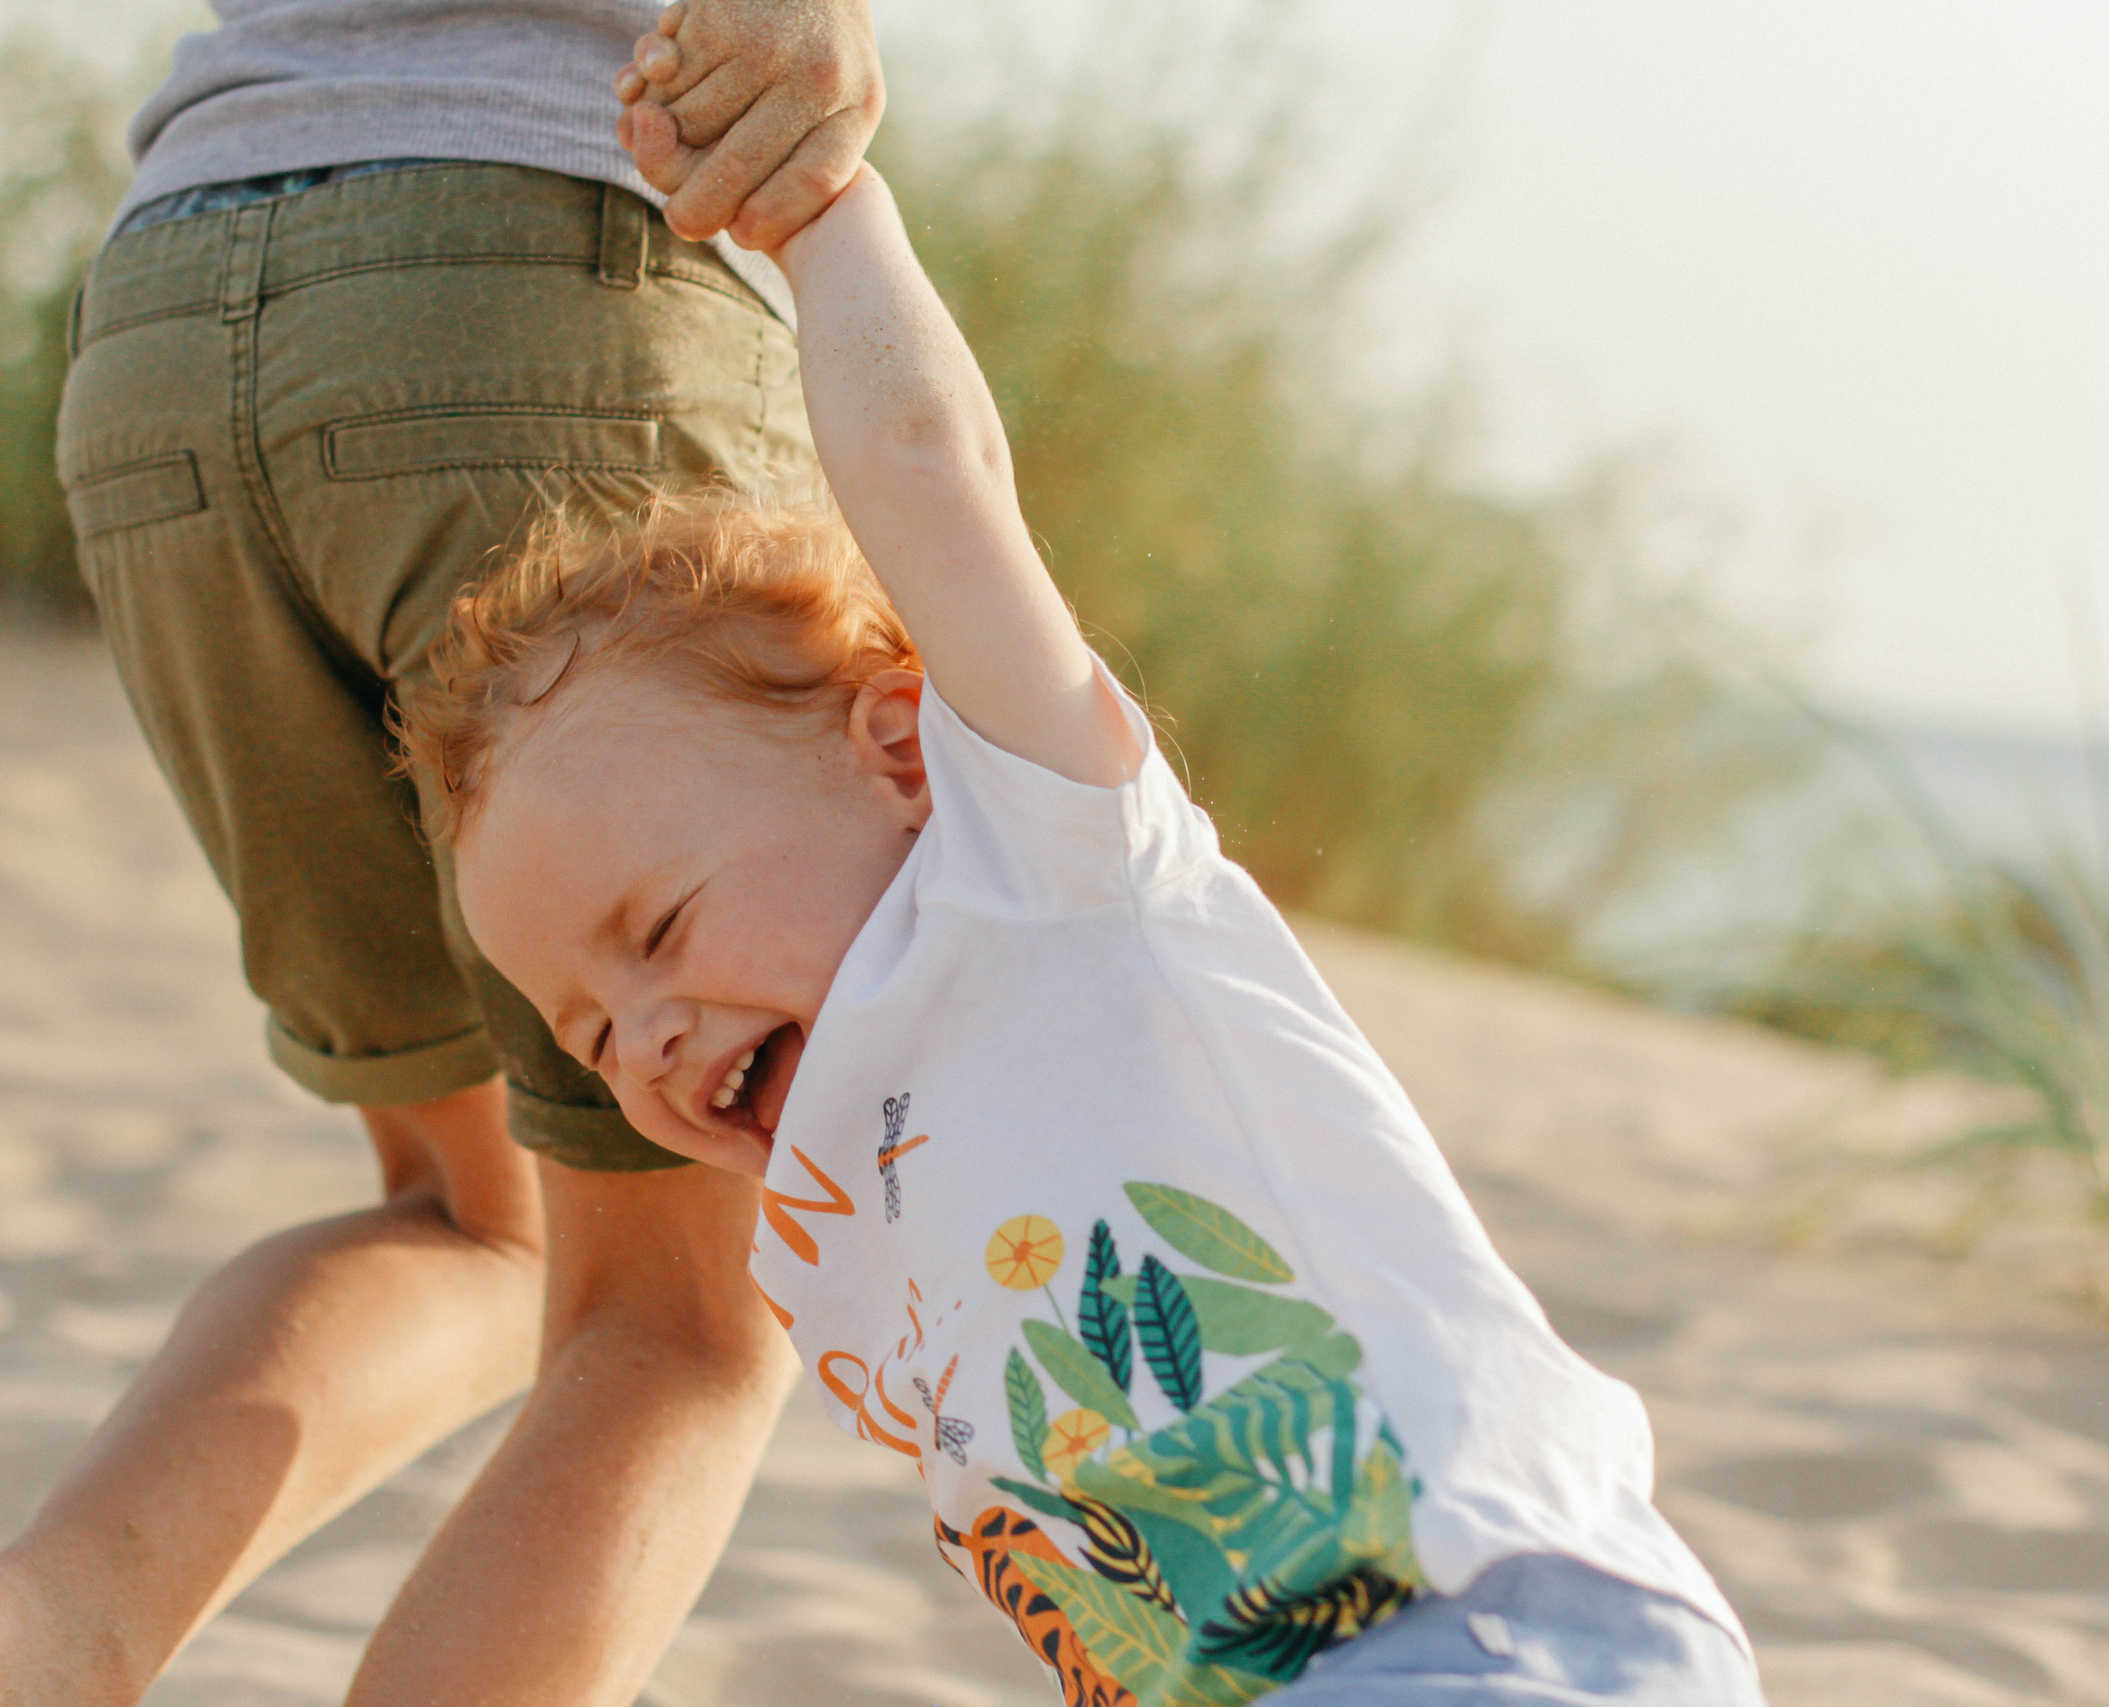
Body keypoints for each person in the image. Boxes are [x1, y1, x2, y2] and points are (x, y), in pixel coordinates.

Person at [395, 119, 1772, 1703]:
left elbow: (928, 468)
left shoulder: (1042, 877)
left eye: (659, 931)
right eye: (587, 1025)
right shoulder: (840, 1201)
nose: (642, 1038)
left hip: (1470, 1620)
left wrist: (826, 210)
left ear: (904, 752)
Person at [6, 4, 880, 1701]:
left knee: (474, 1218)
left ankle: (41, 1648)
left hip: (168, 321)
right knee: (684, 1323)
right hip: (545, 263)